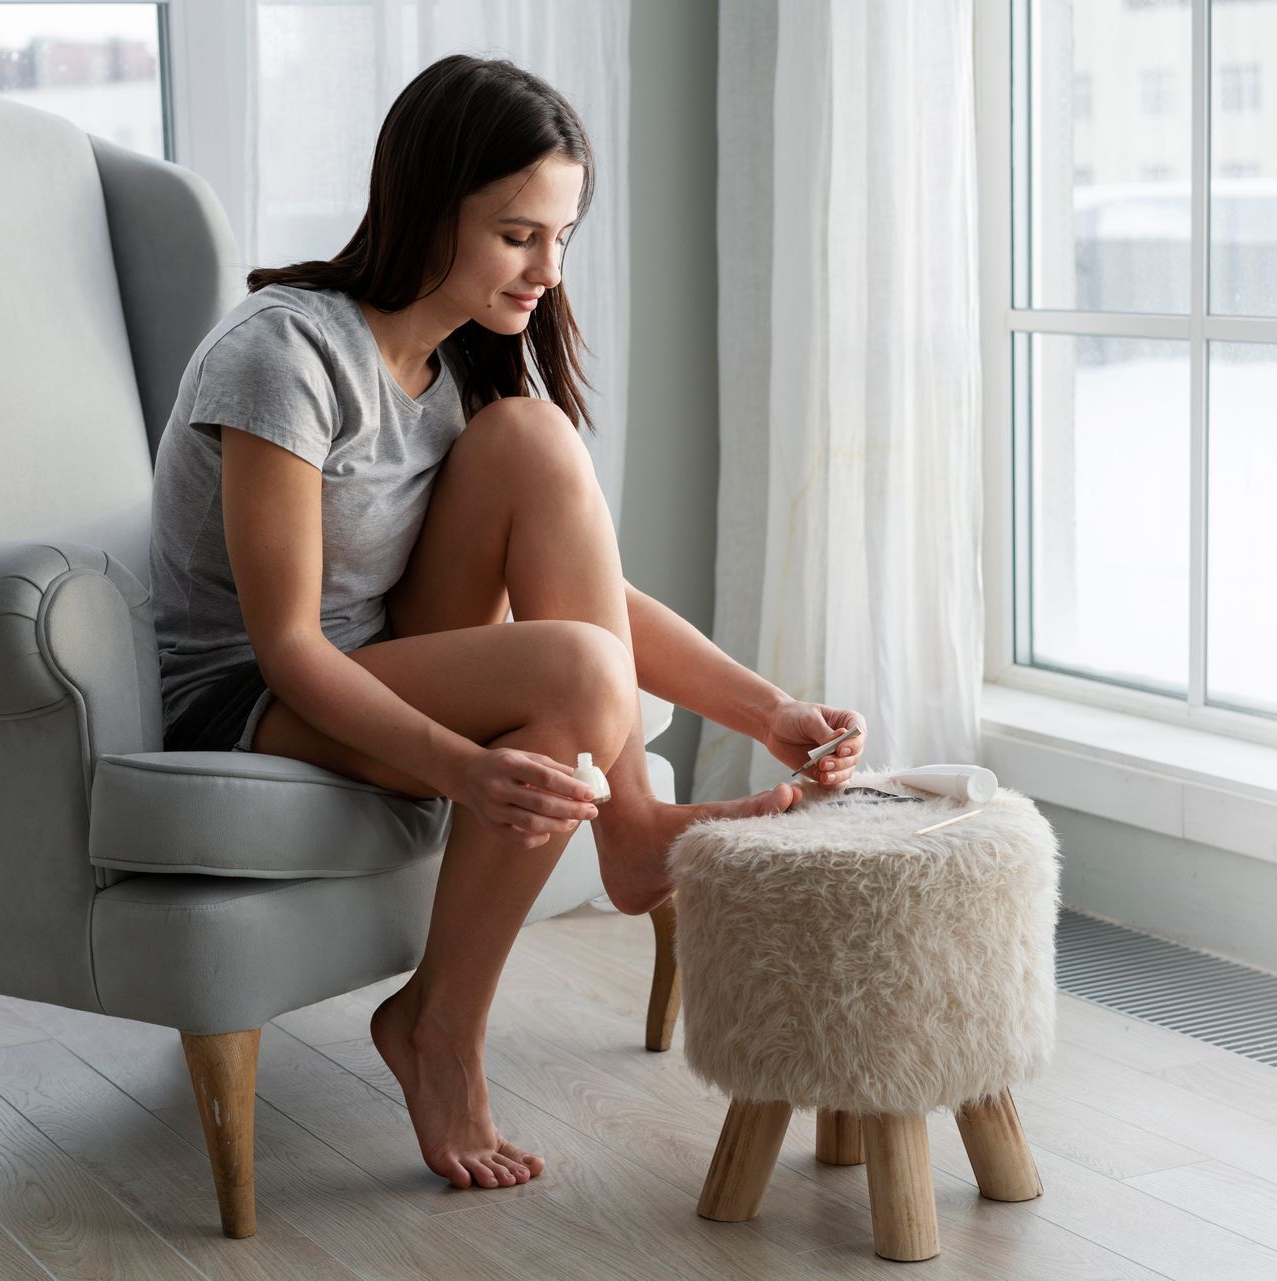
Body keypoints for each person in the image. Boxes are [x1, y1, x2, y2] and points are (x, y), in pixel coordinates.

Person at [150, 53, 869, 1195]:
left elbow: (596, 594)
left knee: (535, 443)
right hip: (249, 696)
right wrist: (462, 770)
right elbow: (287, 645)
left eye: (564, 235)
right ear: (431, 207)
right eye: (518, 234)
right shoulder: (283, 354)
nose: (547, 268)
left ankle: (606, 853)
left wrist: (765, 705)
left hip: (380, 655)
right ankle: (448, 1025)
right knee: (570, 685)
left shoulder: (459, 370)